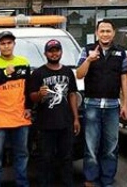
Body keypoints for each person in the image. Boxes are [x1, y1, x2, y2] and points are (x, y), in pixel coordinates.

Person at [76, 19, 127, 187]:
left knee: (111, 146)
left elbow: (124, 79)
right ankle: (91, 179)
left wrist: (125, 104)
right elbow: (79, 74)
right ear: (96, 33)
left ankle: (107, 179)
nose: (105, 34)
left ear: (113, 33)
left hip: (112, 106)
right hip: (92, 104)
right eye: (102, 31)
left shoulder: (121, 53)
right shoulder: (87, 51)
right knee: (91, 146)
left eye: (108, 31)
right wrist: (89, 60)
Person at [0, 31, 32, 187]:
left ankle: (22, 184)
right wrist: (4, 73)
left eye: (9, 43)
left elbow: (28, 88)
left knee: (22, 155)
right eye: (3, 43)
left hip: (20, 116)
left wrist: (29, 107)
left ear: (14, 44)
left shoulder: (24, 62)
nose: (6, 46)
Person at [29, 39, 81, 187]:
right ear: (46, 53)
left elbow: (72, 95)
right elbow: (32, 97)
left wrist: (76, 118)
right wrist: (39, 94)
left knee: (66, 157)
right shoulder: (38, 73)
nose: (54, 53)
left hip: (65, 123)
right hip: (45, 124)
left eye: (56, 50)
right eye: (51, 51)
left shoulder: (68, 72)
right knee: (45, 159)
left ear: (61, 52)